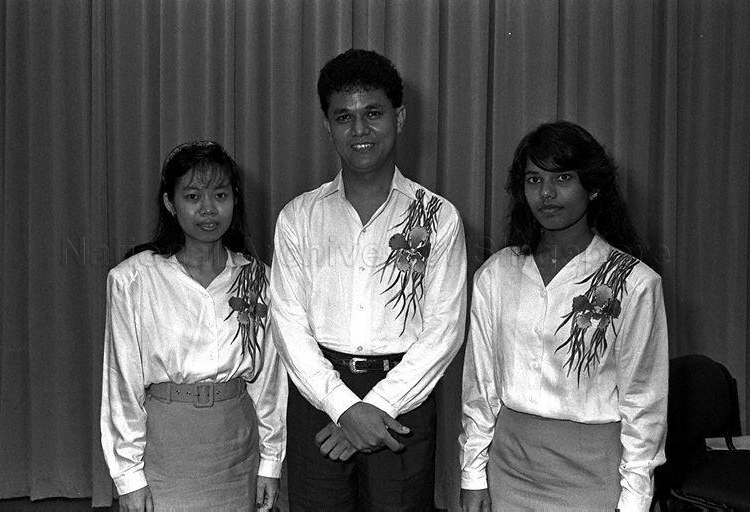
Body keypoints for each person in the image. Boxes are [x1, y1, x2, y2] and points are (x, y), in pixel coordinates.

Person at [269, 48, 467, 511]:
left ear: (399, 118)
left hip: (403, 404)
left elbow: (445, 330)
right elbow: (288, 325)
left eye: (373, 113)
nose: (359, 130)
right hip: (318, 400)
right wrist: (343, 406)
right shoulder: (299, 217)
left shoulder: (438, 218)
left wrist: (376, 407)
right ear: (327, 125)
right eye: (344, 117)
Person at [459, 121, 668, 512]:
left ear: (593, 186)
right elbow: (480, 387)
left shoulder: (634, 283)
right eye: (534, 180)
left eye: (563, 177)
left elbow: (645, 405)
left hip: (595, 475)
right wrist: (472, 474)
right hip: (508, 469)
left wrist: (636, 500)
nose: (547, 193)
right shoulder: (496, 274)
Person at [100, 140, 286, 512]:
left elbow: (270, 382)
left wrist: (271, 462)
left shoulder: (257, 279)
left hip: (237, 450)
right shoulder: (133, 280)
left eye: (220, 194)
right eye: (192, 196)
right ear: (170, 203)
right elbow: (121, 385)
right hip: (166, 452)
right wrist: (129, 478)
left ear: (235, 199)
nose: (208, 209)